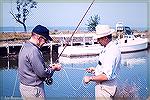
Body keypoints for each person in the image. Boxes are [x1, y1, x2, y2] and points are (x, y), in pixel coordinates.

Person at [18, 25, 61, 100]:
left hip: (24, 87)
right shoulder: (33, 50)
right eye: (45, 40)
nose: (46, 42)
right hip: (34, 91)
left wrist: (48, 67)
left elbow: (33, 68)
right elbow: (43, 74)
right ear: (39, 38)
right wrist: (54, 68)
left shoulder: (25, 46)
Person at [83, 25, 121, 100]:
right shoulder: (111, 48)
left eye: (99, 39)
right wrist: (95, 70)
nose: (97, 41)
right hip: (108, 87)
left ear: (106, 38)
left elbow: (106, 76)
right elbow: (107, 69)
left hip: (105, 89)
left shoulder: (110, 51)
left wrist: (90, 78)